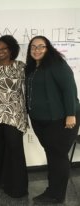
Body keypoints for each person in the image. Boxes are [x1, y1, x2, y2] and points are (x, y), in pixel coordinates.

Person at [25, 36, 80, 204]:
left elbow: (69, 88)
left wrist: (70, 114)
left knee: (58, 156)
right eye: (33, 47)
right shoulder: (32, 68)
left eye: (41, 46)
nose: (37, 49)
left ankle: (57, 195)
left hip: (61, 120)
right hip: (40, 121)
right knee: (52, 155)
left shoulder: (57, 64)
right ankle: (52, 190)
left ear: (48, 48)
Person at [0, 35, 28, 198]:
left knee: (14, 149)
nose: (0, 51)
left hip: (14, 114)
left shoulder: (20, 66)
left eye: (3, 48)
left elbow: (27, 88)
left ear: (11, 49)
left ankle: (17, 187)